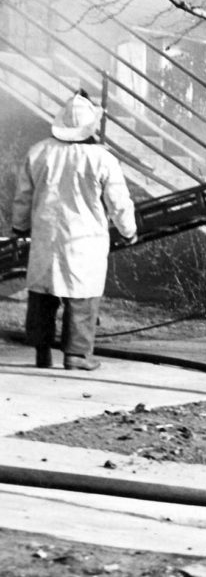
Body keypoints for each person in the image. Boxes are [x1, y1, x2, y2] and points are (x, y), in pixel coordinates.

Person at [10, 91, 137, 370]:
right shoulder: (102, 159)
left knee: (43, 294)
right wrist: (129, 231)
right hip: (85, 239)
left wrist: (19, 226)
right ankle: (76, 355)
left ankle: (41, 351)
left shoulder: (39, 152)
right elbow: (118, 202)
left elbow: (23, 197)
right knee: (81, 295)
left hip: (46, 235)